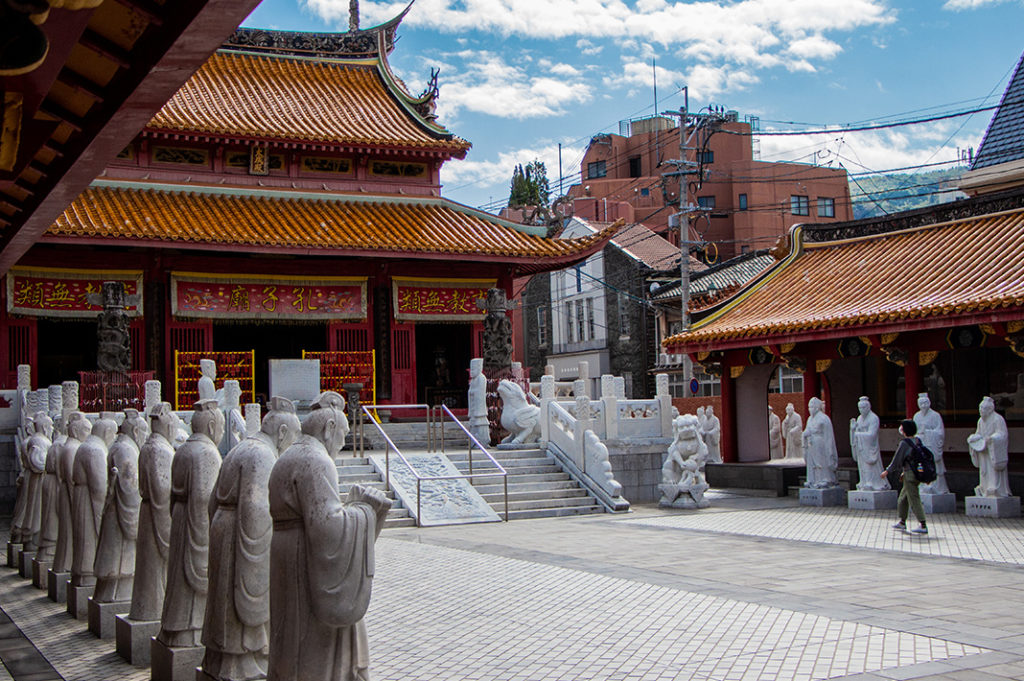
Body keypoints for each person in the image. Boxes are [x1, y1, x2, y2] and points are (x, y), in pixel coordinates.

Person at [881, 419, 927, 535]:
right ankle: (902, 521)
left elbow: (897, 460)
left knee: (913, 498)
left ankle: (923, 524)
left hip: (910, 475)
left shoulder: (905, 443)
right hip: (915, 473)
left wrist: (887, 471)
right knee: (903, 498)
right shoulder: (917, 441)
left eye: (902, 427)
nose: (900, 429)